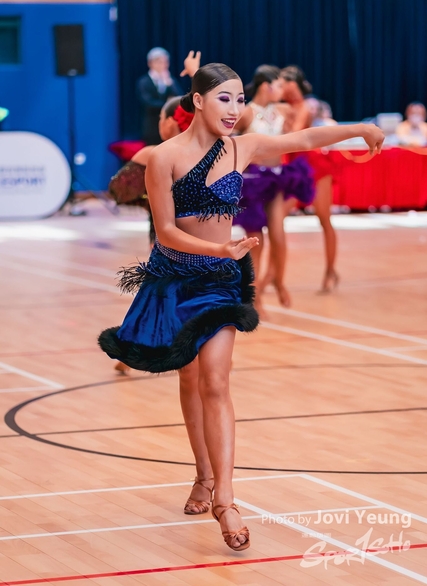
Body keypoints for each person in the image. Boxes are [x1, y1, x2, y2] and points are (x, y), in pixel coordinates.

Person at [98, 62, 384, 552]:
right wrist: (219, 247)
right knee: (189, 379)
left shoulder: (240, 148)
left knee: (215, 380)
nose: (234, 109)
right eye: (224, 99)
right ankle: (203, 475)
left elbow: (305, 139)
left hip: (220, 281)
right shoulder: (164, 158)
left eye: (239, 100)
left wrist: (359, 128)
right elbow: (165, 232)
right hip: (175, 279)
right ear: (198, 101)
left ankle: (226, 500)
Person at [233, 65, 314, 311]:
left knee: (278, 235)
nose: (283, 90)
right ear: (266, 86)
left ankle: (278, 281)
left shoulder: (283, 109)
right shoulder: (246, 113)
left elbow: (303, 120)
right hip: (253, 182)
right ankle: (252, 295)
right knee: (256, 240)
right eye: (279, 85)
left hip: (276, 179)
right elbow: (227, 140)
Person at [281, 66, 340, 292]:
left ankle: (330, 270)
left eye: (283, 82)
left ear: (292, 84)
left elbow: (295, 136)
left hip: (313, 167)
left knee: (324, 218)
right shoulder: (283, 107)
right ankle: (273, 275)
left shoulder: (304, 106)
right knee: (276, 218)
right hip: (294, 168)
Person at [136, 47, 182, 145]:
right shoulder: (144, 82)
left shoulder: (170, 80)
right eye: (159, 62)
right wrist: (168, 104)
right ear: (150, 63)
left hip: (169, 126)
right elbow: (148, 103)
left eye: (165, 62)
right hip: (151, 127)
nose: (163, 65)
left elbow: (179, 100)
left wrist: (169, 85)